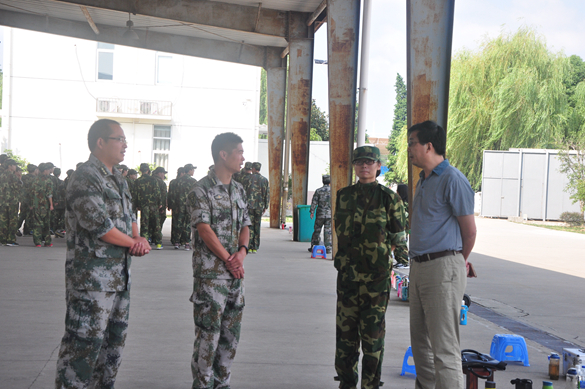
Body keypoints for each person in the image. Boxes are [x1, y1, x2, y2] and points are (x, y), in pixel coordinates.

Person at [55, 118, 150, 389]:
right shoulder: (86, 176)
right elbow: (100, 226)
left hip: (119, 278)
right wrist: (133, 244)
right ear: (100, 142)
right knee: (82, 352)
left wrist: (138, 237)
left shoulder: (118, 179)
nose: (125, 144)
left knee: (111, 353)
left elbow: (129, 216)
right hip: (91, 282)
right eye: (119, 139)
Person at [407, 120, 476, 389]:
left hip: (442, 267)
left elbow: (469, 232)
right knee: (420, 344)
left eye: (412, 143)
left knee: (444, 348)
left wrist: (456, 261)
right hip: (420, 267)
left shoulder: (453, 179)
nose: (409, 149)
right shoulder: (423, 180)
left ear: (429, 145)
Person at [333, 146, 408, 389]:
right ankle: (346, 383)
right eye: (360, 162)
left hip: (375, 282)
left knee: (372, 339)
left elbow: (399, 239)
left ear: (378, 166)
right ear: (354, 166)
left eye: (370, 162)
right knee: (345, 338)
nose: (364, 166)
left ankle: (370, 385)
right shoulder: (343, 195)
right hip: (347, 279)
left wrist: (390, 263)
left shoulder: (389, 198)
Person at [187, 132, 250, 389]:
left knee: (230, 339)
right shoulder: (200, 189)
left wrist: (242, 252)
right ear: (223, 155)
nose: (243, 158)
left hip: (235, 277)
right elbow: (204, 229)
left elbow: (246, 224)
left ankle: (222, 384)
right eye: (239, 152)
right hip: (211, 277)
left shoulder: (239, 189)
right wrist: (229, 259)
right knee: (208, 340)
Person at [134, 163, 162, 249]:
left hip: (144, 205)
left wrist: (136, 205)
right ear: (148, 170)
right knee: (156, 224)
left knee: (144, 224)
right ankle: (158, 243)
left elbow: (135, 194)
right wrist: (160, 203)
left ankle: (145, 243)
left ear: (140, 171)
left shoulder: (138, 181)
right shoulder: (153, 180)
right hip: (153, 205)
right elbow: (157, 192)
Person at [244, 162, 269, 253]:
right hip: (260, 206)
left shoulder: (248, 178)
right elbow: (267, 194)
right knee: (257, 226)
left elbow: (244, 191)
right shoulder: (265, 180)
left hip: (249, 206)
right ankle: (255, 247)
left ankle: (249, 245)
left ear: (253, 168)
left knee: (249, 226)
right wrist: (266, 206)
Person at [30, 162, 54, 247]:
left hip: (36, 205)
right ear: (45, 170)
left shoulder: (34, 180)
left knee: (37, 223)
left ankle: (38, 242)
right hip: (45, 205)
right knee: (46, 224)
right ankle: (47, 242)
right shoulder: (48, 181)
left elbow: (31, 193)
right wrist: (51, 204)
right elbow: (49, 194)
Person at [309, 174, 332, 254]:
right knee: (328, 231)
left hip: (320, 214)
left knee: (317, 230)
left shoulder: (318, 191)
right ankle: (328, 247)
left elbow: (314, 202)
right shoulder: (333, 191)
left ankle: (314, 246)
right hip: (330, 214)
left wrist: (312, 211)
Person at [0, 158, 21, 246]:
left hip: (2, 201)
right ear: (10, 166)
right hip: (12, 201)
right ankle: (10, 239)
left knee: (3, 220)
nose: (15, 167)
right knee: (13, 221)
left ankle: (2, 239)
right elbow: (18, 187)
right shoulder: (13, 176)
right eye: (14, 165)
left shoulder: (1, 175)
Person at [177, 163, 197, 250]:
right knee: (188, 223)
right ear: (189, 170)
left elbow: (174, 194)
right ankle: (187, 243)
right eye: (192, 170)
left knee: (179, 222)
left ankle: (177, 242)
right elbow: (196, 194)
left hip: (179, 204)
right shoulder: (193, 181)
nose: (193, 171)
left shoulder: (178, 181)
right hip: (190, 205)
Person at [168, 167, 185, 248]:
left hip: (175, 206)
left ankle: (174, 239)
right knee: (184, 223)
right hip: (183, 205)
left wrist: (169, 204)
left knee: (175, 222)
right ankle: (183, 240)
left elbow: (170, 194)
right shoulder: (186, 182)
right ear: (182, 173)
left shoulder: (173, 182)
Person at [153, 166, 168, 249]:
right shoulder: (161, 182)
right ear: (159, 173)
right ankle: (157, 240)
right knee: (158, 223)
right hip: (159, 206)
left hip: (148, 206)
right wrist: (162, 207)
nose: (164, 175)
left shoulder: (150, 180)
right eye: (163, 173)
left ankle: (150, 237)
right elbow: (163, 195)